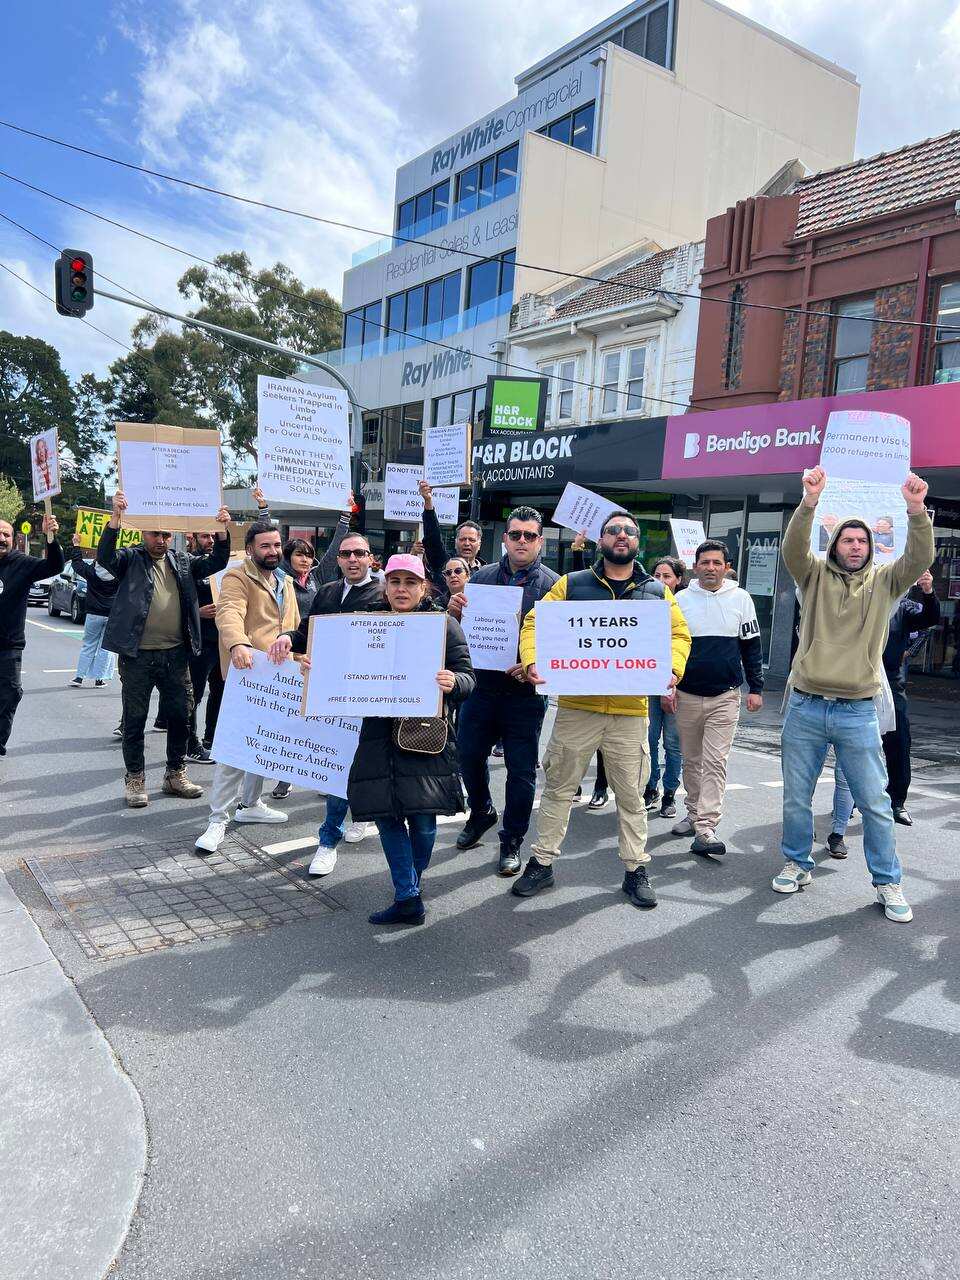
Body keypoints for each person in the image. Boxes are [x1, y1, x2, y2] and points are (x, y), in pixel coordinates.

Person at [773, 466, 934, 923]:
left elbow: (919, 554)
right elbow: (792, 549)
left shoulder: (888, 582)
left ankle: (888, 882)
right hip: (805, 705)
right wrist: (809, 503)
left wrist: (916, 510)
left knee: (876, 804)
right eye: (847, 539)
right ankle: (797, 862)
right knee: (795, 797)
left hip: (859, 711)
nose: (855, 546)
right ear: (835, 545)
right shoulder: (813, 576)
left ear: (872, 547)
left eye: (862, 541)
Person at [514, 511, 692, 908]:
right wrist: (531, 661)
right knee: (559, 789)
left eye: (630, 530)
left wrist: (673, 668)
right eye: (613, 530)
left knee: (631, 797)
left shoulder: (655, 591)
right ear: (601, 540)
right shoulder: (571, 585)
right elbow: (534, 623)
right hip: (578, 708)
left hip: (630, 712)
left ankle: (635, 869)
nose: (622, 535)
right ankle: (541, 864)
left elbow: (679, 634)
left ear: (638, 541)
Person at [335, 554, 475, 925]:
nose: (401, 589)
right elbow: (339, 664)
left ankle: (410, 884)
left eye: (410, 582)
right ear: (385, 586)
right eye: (394, 581)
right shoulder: (365, 623)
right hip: (377, 737)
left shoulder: (443, 626)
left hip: (423, 736)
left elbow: (467, 677)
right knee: (387, 817)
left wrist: (454, 683)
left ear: (423, 587)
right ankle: (408, 894)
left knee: (425, 824)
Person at [98, 492, 230, 807]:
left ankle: (175, 774)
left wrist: (223, 531)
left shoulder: (182, 561)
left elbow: (218, 561)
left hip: (175, 654)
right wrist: (114, 521)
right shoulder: (130, 559)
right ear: (143, 533)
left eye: (166, 534)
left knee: (182, 715)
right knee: (135, 718)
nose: (161, 539)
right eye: (155, 533)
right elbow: (105, 557)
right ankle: (135, 779)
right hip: (137, 655)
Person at [447, 506, 559, 875]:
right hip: (481, 687)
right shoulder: (480, 578)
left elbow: (563, 644)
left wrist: (532, 665)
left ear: (539, 540)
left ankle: (511, 839)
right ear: (505, 539)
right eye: (515, 534)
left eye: (529, 535)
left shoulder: (555, 586)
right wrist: (455, 611)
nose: (522, 541)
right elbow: (463, 634)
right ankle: (481, 812)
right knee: (467, 757)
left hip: (524, 695)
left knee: (521, 771)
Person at [269, 532, 384, 870]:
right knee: (337, 765)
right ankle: (328, 840)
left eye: (359, 553)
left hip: (371, 694)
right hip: (332, 693)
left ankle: (354, 818)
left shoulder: (384, 594)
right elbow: (307, 630)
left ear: (370, 558)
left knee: (363, 763)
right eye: (346, 553)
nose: (352, 559)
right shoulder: (328, 593)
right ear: (338, 559)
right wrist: (288, 638)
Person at [194, 521, 299, 853]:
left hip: (281, 676)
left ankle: (251, 804)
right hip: (249, 672)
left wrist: (301, 657)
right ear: (251, 549)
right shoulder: (237, 576)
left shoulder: (286, 580)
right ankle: (217, 820)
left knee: (265, 746)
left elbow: (293, 626)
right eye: (265, 546)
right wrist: (237, 644)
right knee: (236, 748)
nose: (272, 551)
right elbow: (229, 614)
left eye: (276, 545)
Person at [670, 539, 763, 857]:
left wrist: (756, 688)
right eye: (705, 562)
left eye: (716, 563)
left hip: (726, 696)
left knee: (715, 762)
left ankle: (706, 827)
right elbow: (666, 645)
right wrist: (667, 687)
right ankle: (693, 814)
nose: (710, 568)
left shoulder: (741, 599)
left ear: (726, 567)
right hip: (686, 694)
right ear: (695, 566)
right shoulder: (680, 599)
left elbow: (751, 646)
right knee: (691, 761)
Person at [0, 514, 63, 755]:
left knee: (10, 694)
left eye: (6, 534)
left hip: (9, 647)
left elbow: (54, 566)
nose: (2, 538)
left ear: (14, 539)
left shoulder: (21, 563)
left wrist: (51, 538)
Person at [881, 570, 940, 825]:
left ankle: (897, 801)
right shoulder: (864, 599)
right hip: (857, 679)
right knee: (854, 743)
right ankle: (847, 802)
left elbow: (929, 617)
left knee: (899, 740)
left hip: (891, 680)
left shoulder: (904, 607)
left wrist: (928, 592)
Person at [646, 556, 688, 818]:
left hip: (676, 685)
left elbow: (682, 646)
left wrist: (672, 686)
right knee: (648, 740)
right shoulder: (643, 605)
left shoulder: (683, 607)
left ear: (678, 580)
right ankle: (651, 787)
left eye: (667, 576)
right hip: (648, 685)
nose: (661, 581)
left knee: (673, 744)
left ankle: (670, 793)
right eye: (657, 576)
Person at [68, 534, 117, 687]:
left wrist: (76, 544)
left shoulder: (91, 572)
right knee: (105, 648)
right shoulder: (118, 575)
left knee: (88, 645)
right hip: (111, 615)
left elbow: (76, 564)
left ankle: (79, 678)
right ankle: (99, 679)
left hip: (93, 614)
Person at [419, 480, 485, 592]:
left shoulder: (487, 573)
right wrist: (428, 502)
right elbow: (432, 539)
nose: (467, 543)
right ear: (456, 542)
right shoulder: (444, 563)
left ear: (479, 544)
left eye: (472, 540)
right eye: (463, 539)